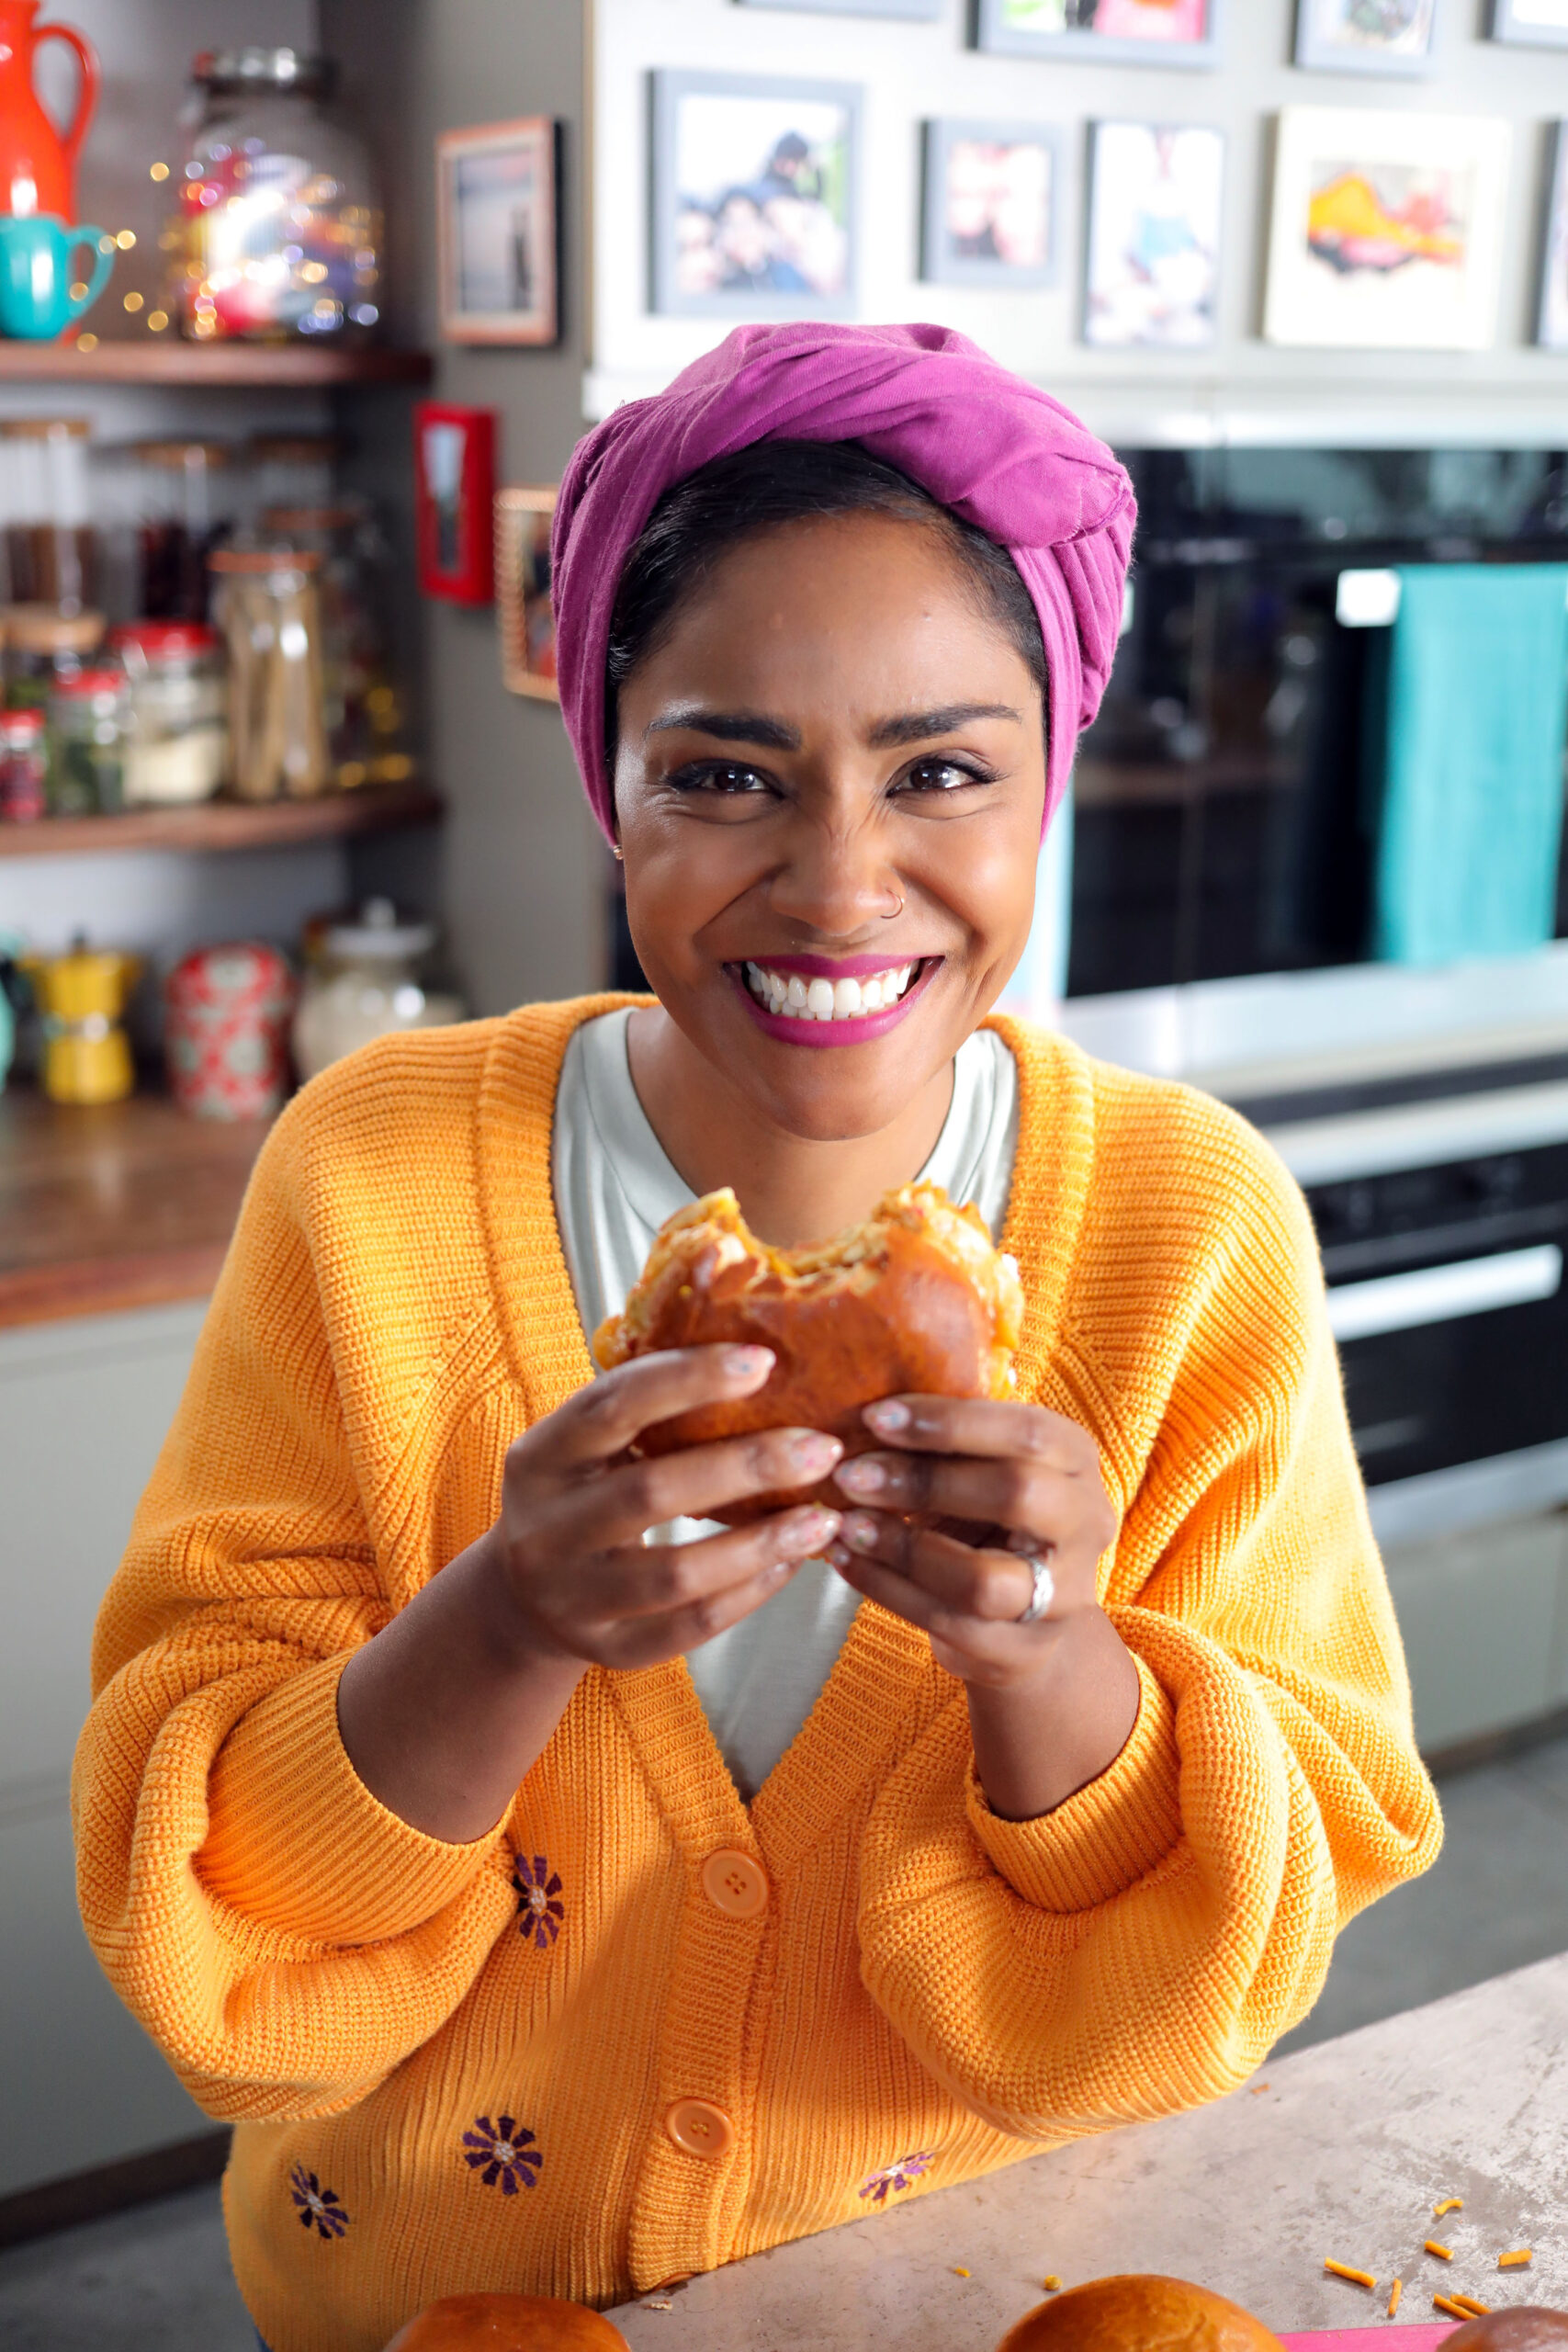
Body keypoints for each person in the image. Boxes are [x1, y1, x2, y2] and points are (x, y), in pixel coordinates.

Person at [73, 322, 1441, 2352]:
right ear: (605, 777)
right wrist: (509, 1620)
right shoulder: (372, 1175)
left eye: (940, 770)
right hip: (436, 2298)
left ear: (1045, 778)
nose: (834, 882)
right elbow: (208, 1925)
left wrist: (1046, 1660)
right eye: (724, 772)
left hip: (961, 2294)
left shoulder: (1181, 1228)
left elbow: (1234, 1945)